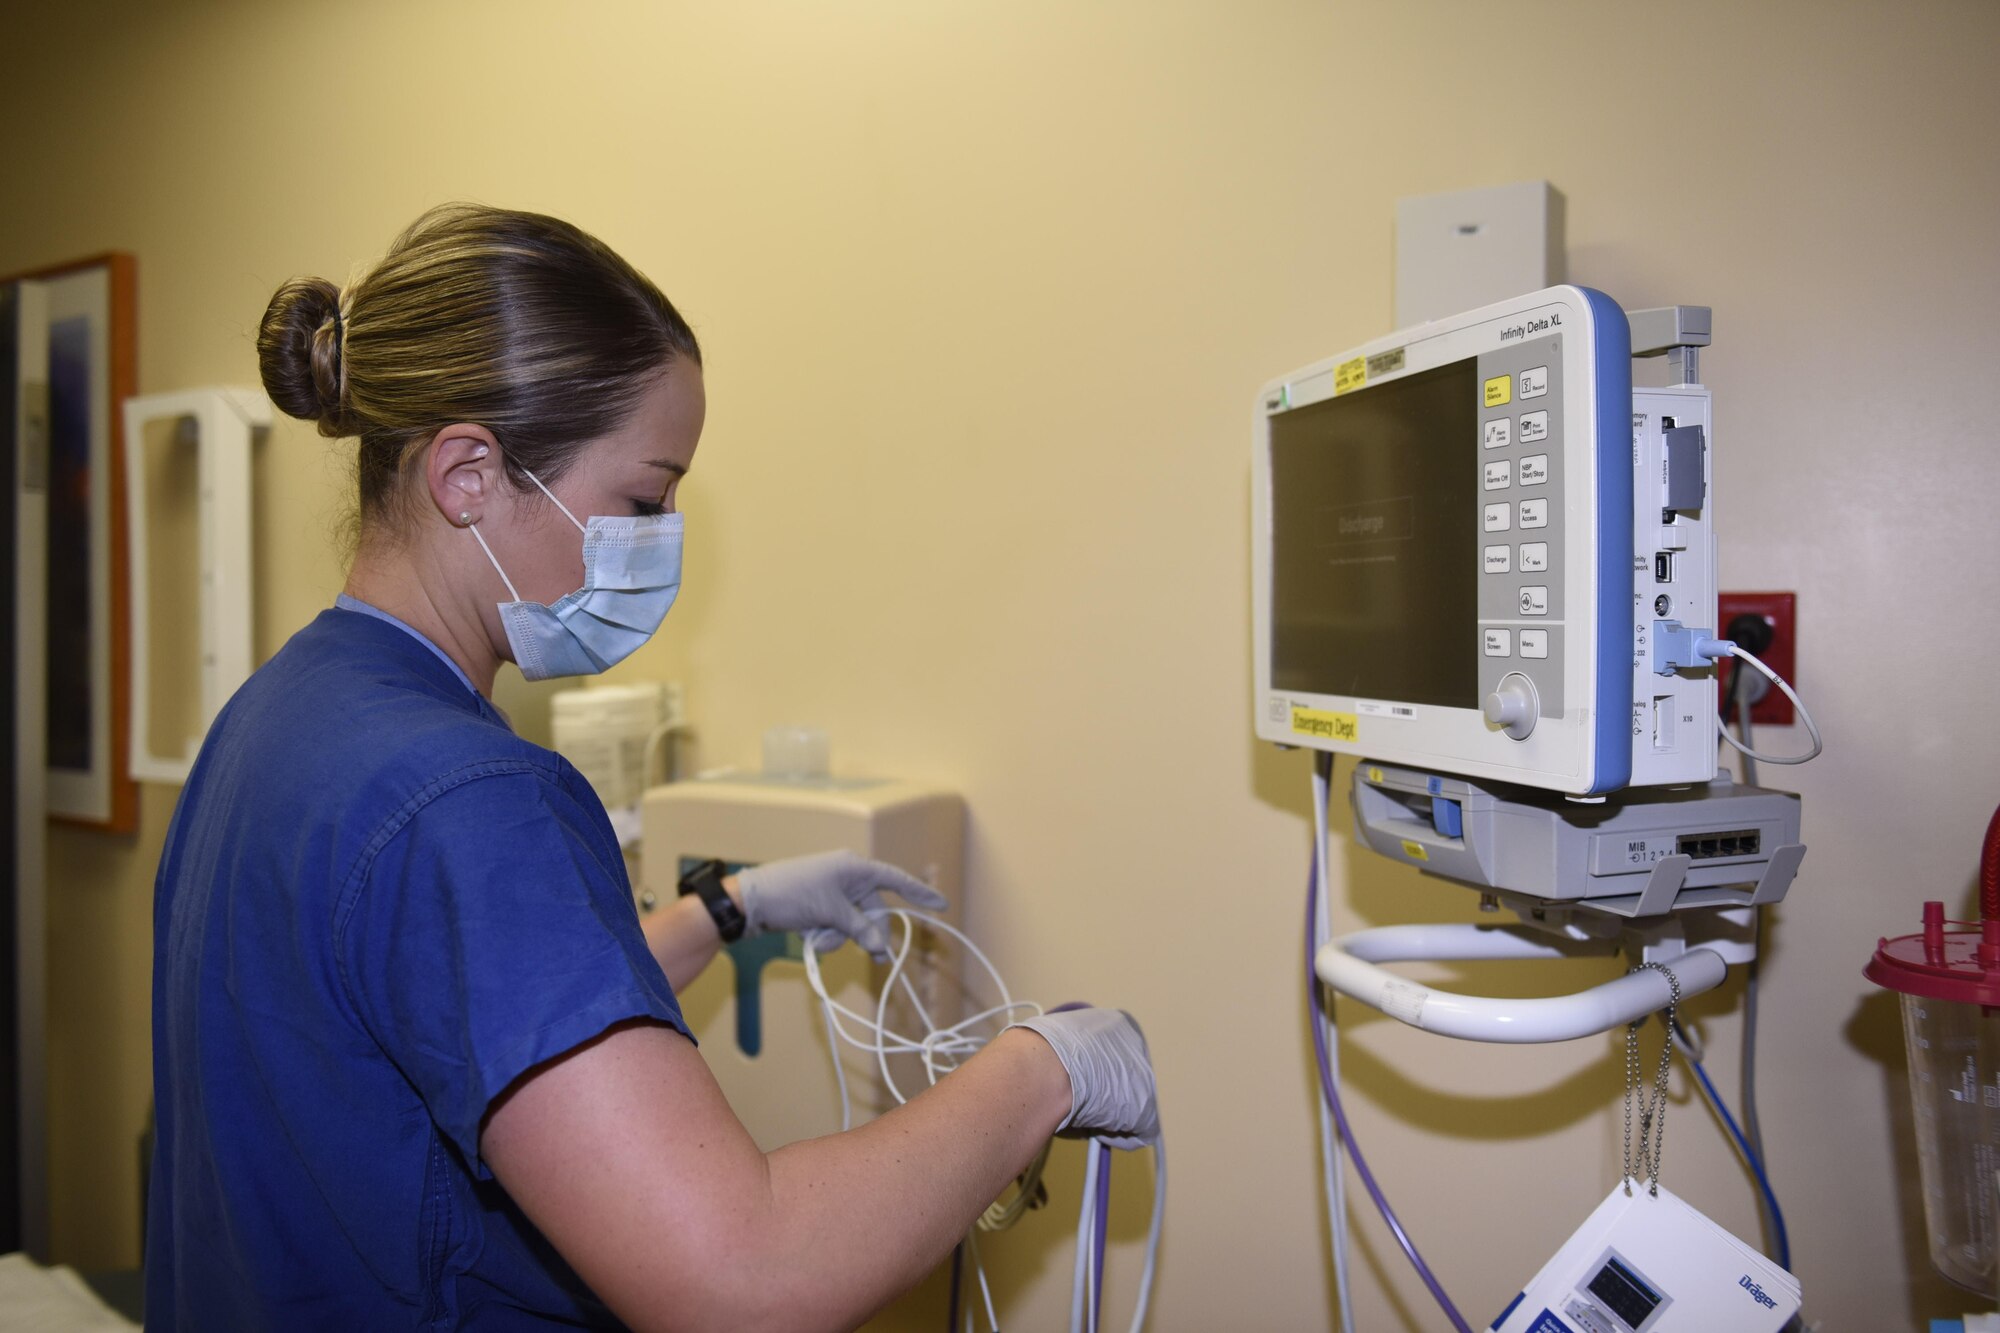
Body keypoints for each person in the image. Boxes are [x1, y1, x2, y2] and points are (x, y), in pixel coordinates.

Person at [145, 203, 1158, 1332]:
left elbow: (461, 1014)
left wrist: (729, 909)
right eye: (642, 497)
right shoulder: (470, 798)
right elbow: (743, 1274)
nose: (662, 536)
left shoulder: (279, 718)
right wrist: (1041, 1069)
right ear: (467, 475)